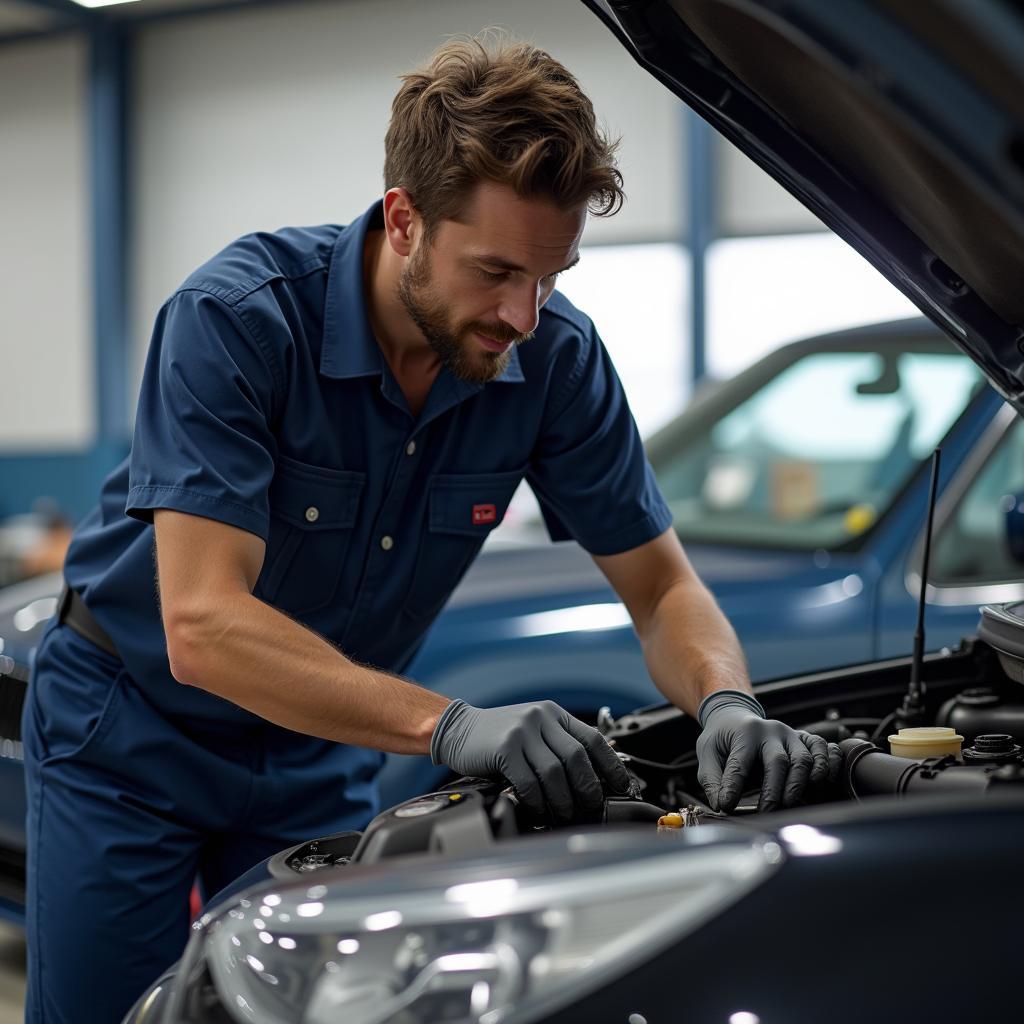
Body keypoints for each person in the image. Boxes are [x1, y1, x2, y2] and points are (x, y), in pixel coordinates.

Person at [22, 38, 835, 1024]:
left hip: (314, 749)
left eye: (549, 275)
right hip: (128, 730)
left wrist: (728, 704)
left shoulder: (556, 361)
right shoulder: (237, 320)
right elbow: (203, 627)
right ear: (404, 219)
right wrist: (451, 724)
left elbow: (662, 588)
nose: (522, 315)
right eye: (494, 271)